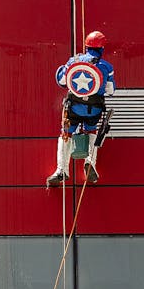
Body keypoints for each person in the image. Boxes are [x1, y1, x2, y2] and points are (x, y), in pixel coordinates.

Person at [47, 30, 114, 187]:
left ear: (86, 46)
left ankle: (61, 170)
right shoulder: (107, 67)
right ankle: (90, 163)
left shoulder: (73, 61)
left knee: (66, 133)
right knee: (92, 131)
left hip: (74, 108)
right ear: (102, 48)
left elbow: (62, 81)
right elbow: (110, 91)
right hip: (95, 110)